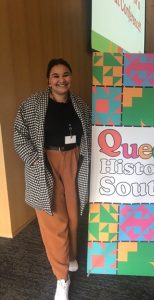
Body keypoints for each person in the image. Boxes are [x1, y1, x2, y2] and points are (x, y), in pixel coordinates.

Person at [14, 58, 91, 299]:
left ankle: (70, 257)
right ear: (48, 80)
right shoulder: (33, 104)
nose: (61, 79)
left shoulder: (80, 104)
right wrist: (34, 159)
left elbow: (89, 131)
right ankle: (61, 278)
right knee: (53, 221)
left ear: (71, 77)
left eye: (65, 74)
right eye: (55, 75)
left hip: (74, 162)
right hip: (45, 165)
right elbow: (19, 133)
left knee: (73, 217)